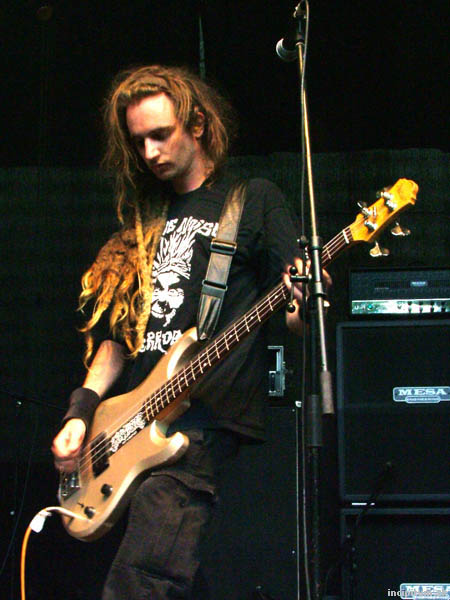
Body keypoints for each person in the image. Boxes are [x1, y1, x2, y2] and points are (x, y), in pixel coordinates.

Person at [51, 64, 327, 599]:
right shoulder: (140, 222)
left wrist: (304, 301)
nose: (150, 152)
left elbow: (296, 313)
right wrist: (80, 413)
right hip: (129, 422)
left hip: (202, 421)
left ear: (197, 125)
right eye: (139, 142)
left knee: (142, 578)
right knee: (170, 573)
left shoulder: (251, 201)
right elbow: (116, 341)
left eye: (161, 134)